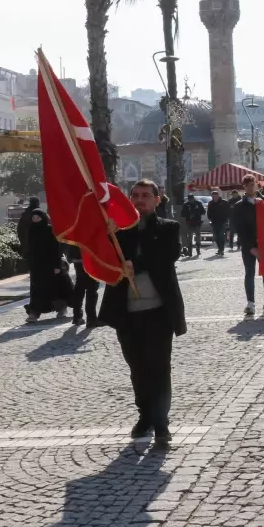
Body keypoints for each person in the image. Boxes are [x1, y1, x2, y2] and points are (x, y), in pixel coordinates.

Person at [98, 180, 185, 448]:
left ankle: (161, 424)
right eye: (134, 195)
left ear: (157, 200)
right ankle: (144, 415)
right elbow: (101, 256)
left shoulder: (169, 228)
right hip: (127, 313)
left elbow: (165, 255)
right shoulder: (119, 230)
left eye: (146, 195)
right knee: (137, 369)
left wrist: (135, 262)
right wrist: (106, 232)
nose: (139, 200)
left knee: (159, 369)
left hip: (158, 312)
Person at [23, 206, 73, 322]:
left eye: (37, 218)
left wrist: (57, 266)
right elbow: (29, 250)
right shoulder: (31, 231)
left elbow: (56, 249)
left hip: (50, 265)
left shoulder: (50, 230)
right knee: (37, 290)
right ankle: (34, 313)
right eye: (33, 217)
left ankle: (61, 308)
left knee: (55, 288)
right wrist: (29, 266)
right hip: (37, 266)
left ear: (43, 218)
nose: (35, 220)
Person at [232, 175, 264, 315]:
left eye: (253, 184)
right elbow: (239, 229)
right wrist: (251, 247)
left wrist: (262, 206)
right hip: (248, 246)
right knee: (249, 273)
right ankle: (251, 303)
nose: (251, 187)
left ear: (257, 185)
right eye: (247, 184)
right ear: (244, 187)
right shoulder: (239, 206)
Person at [66, 243, 99, 327]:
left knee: (80, 288)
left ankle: (78, 316)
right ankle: (90, 319)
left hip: (80, 260)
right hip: (91, 260)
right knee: (91, 290)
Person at [205, 188, 231, 256]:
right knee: (216, 236)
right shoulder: (210, 203)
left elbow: (228, 211)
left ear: (218, 196)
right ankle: (219, 248)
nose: (214, 197)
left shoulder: (224, 202)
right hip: (214, 222)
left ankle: (221, 249)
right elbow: (209, 212)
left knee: (221, 235)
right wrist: (210, 218)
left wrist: (226, 219)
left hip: (222, 221)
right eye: (213, 196)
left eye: (215, 196)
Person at [180, 193, 206, 257]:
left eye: (191, 199)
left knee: (197, 237)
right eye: (189, 199)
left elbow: (203, 212)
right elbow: (182, 214)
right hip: (189, 223)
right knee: (190, 237)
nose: (190, 200)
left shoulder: (198, 203)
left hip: (197, 222)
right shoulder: (186, 205)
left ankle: (198, 250)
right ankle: (190, 252)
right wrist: (188, 214)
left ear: (193, 198)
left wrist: (197, 212)